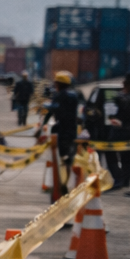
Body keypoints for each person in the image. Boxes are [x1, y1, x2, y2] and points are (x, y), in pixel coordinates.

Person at [37, 71, 82, 201]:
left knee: (59, 159)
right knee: (68, 160)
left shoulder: (59, 96)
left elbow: (52, 110)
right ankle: (65, 183)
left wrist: (43, 123)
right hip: (72, 131)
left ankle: (61, 185)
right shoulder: (74, 96)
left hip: (61, 131)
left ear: (58, 84)